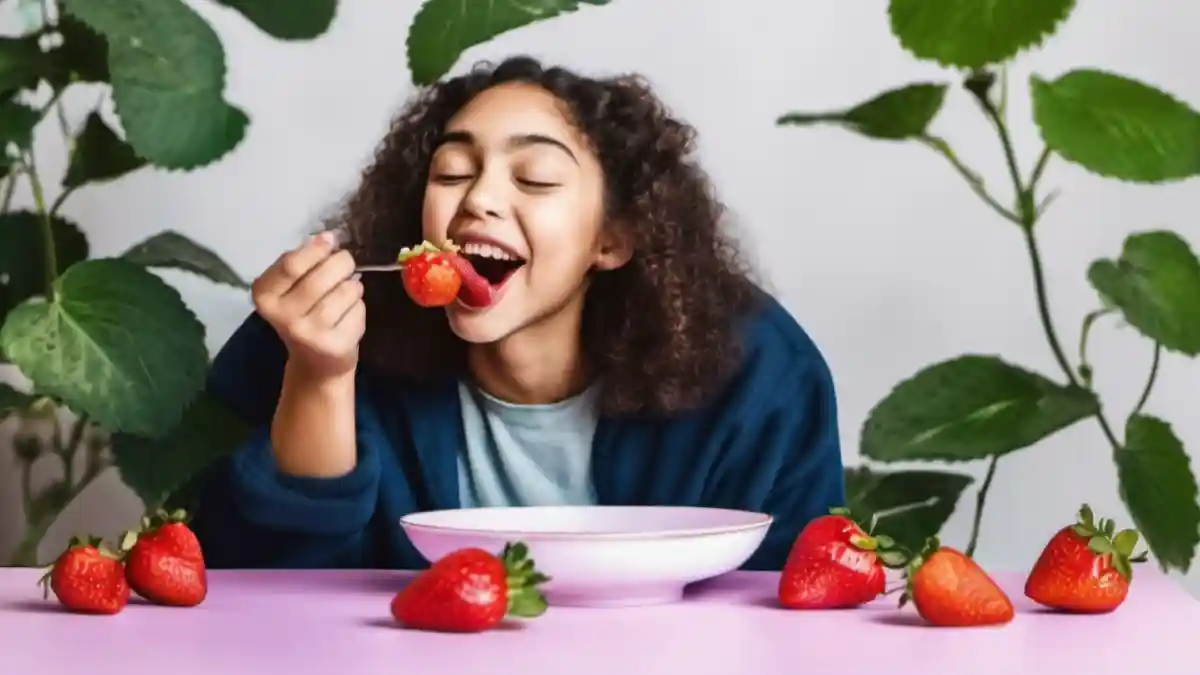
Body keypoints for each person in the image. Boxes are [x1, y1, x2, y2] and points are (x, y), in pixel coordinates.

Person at [190, 56, 845, 571]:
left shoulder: (759, 374)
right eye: (451, 172)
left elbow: (779, 610)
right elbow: (268, 597)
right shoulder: (307, 335)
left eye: (533, 179)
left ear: (612, 238)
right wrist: (320, 376)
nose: (478, 198)